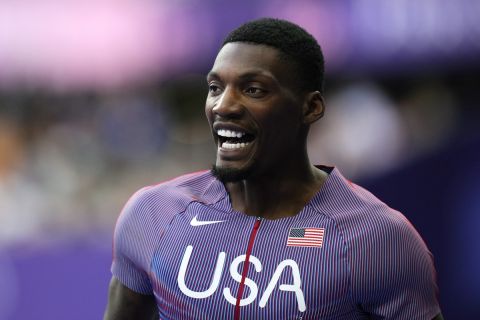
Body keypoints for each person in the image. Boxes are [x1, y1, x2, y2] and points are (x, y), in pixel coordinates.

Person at [103, 18, 443, 320]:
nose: (223, 105)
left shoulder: (378, 239)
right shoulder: (153, 213)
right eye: (215, 88)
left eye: (253, 89)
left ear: (310, 108)